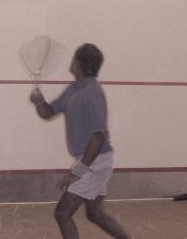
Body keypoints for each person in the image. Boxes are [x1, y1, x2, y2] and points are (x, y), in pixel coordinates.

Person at [30, 43, 131, 239]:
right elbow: (48, 113)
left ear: (78, 64)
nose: (72, 61)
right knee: (95, 214)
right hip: (92, 160)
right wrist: (39, 101)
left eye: (74, 58)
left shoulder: (92, 92)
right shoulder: (74, 89)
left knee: (62, 213)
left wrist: (78, 171)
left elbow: (98, 136)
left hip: (96, 160)